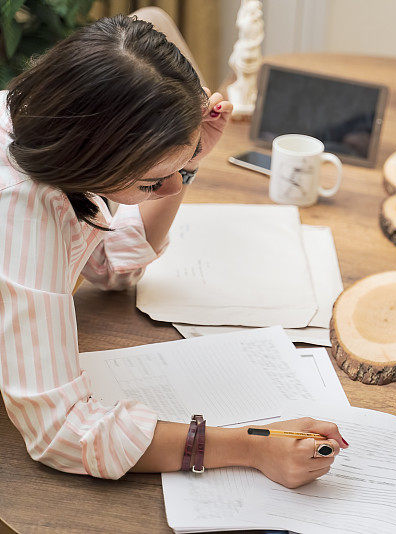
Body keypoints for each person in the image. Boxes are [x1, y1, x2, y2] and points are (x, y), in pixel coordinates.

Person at [0, 12, 346, 485]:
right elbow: (62, 432)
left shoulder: (41, 131)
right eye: (150, 182)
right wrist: (251, 446)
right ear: (90, 157)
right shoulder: (22, 213)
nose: (171, 190)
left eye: (178, 173)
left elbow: (107, 265)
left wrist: (189, 158)